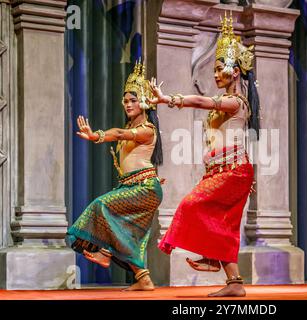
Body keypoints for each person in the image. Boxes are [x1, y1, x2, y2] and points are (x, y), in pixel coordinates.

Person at [148, 13, 259, 297]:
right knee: (223, 223)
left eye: (220, 68)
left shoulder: (234, 101)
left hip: (233, 171)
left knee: (189, 205)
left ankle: (213, 258)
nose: (215, 73)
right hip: (225, 171)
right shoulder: (225, 103)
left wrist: (168, 99)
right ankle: (234, 283)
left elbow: (201, 100)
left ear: (235, 72)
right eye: (214, 68)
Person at [67, 61, 163, 291]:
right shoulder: (132, 127)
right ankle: (143, 278)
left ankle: (104, 254)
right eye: (125, 100)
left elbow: (120, 133)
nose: (127, 104)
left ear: (144, 103)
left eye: (133, 100)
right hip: (135, 185)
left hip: (144, 188)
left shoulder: (147, 129)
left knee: (101, 205)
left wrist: (96, 136)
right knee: (124, 232)